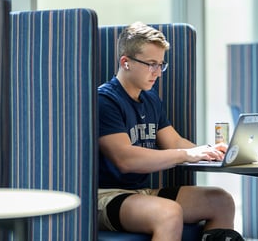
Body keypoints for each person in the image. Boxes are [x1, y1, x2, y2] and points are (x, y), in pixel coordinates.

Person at [98, 21, 244, 241]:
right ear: (125, 62)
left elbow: (174, 141)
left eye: (160, 64)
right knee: (169, 213)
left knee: (221, 200)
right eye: (151, 64)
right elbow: (125, 159)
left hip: (142, 193)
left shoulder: (150, 97)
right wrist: (186, 155)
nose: (158, 72)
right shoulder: (105, 100)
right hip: (105, 195)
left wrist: (209, 151)